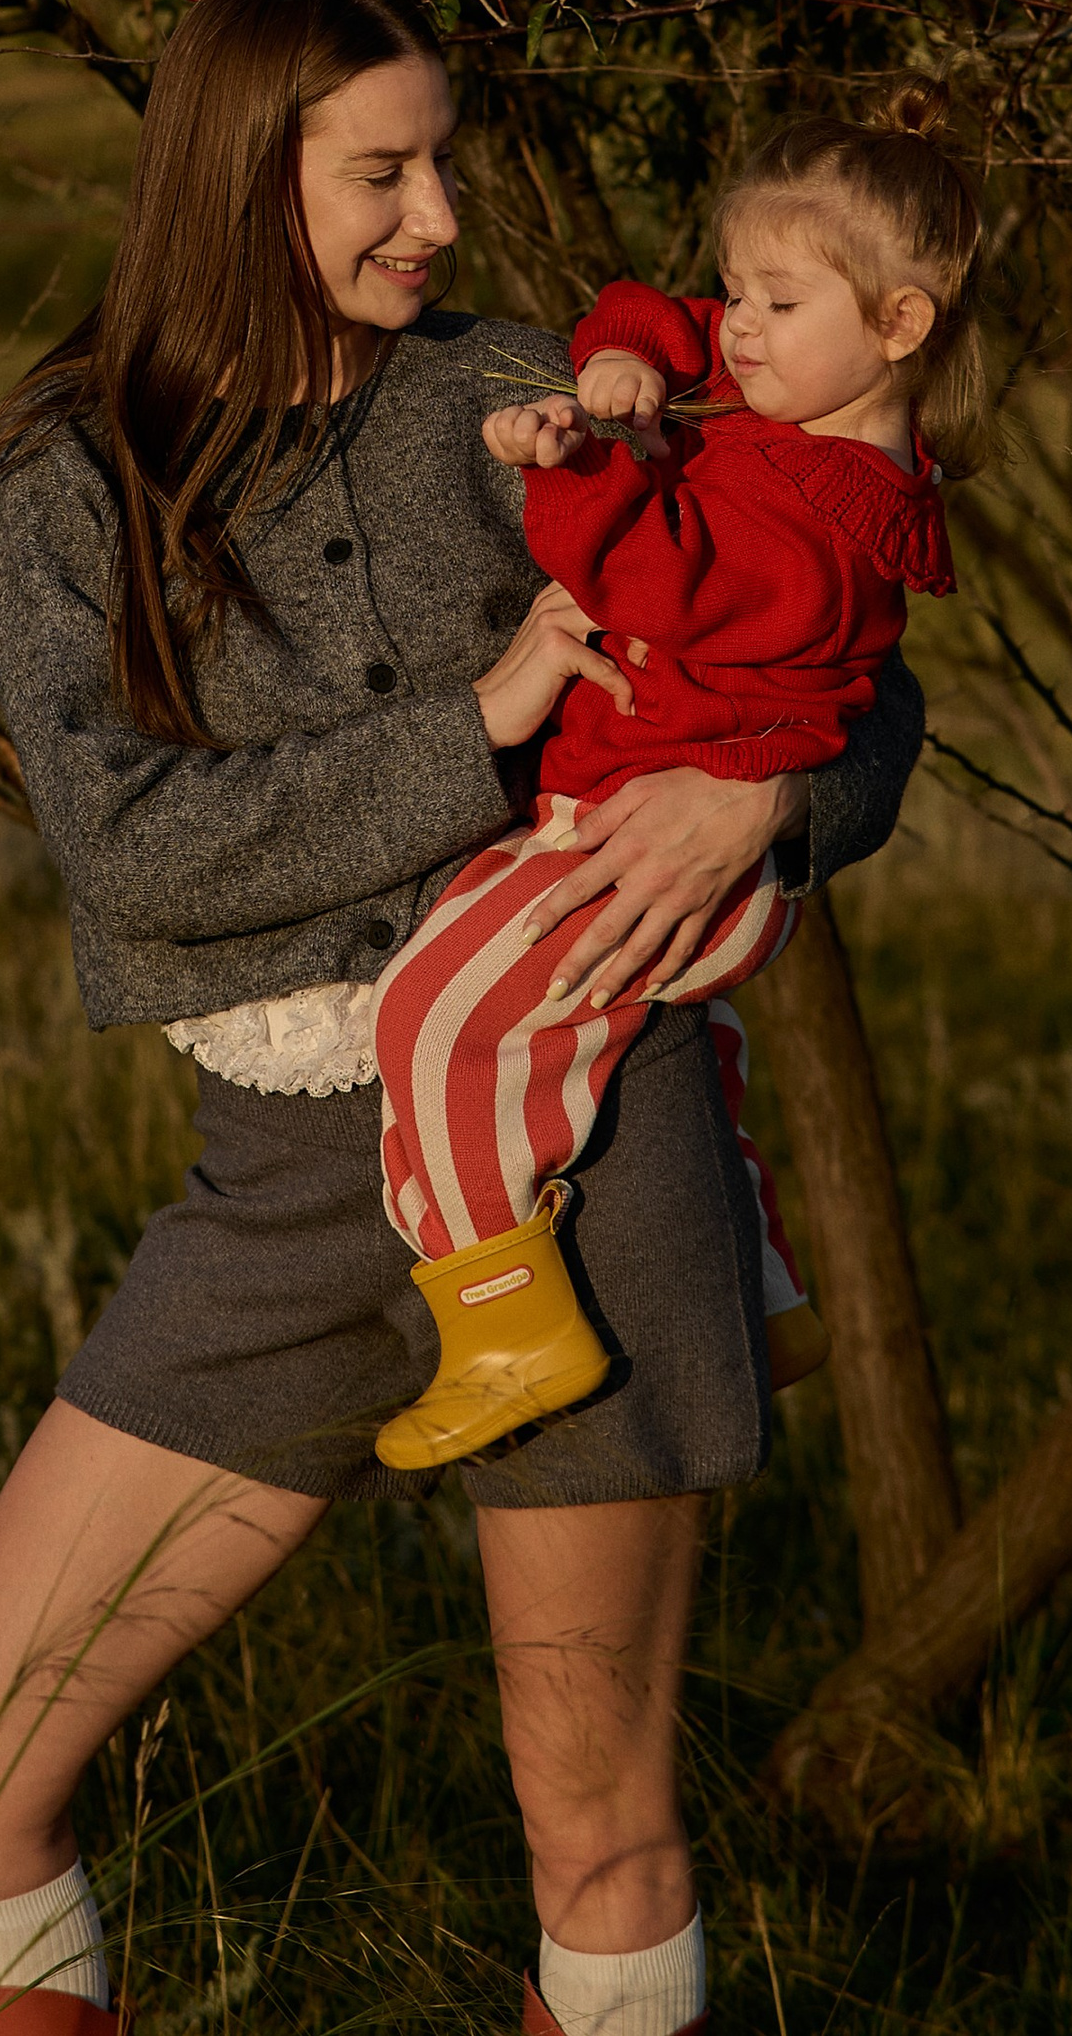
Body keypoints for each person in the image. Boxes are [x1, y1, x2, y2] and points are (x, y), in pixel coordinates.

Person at [0, 0, 926, 2036]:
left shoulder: (520, 391)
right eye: (383, 171)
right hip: (277, 1181)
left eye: (438, 163)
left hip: (591, 1147)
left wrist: (769, 803)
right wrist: (478, 723)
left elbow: (853, 661)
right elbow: (130, 846)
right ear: (233, 177)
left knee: (595, 1822)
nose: (436, 219)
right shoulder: (69, 474)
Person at [367, 94, 985, 1472]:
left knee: (436, 1012)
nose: (740, 325)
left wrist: (577, 468)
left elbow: (652, 574)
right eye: (740, 287)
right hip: (640, 816)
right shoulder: (790, 388)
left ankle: (500, 1319)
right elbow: (651, 312)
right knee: (689, 1049)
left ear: (898, 327)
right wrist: (629, 371)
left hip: (647, 836)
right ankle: (764, 1304)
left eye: (775, 297)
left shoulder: (833, 521)